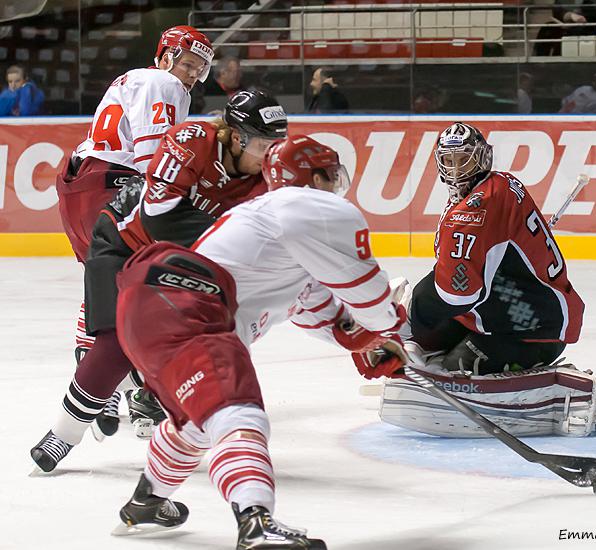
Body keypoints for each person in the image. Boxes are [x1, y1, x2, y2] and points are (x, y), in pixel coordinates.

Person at [110, 135, 405, 548]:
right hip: (187, 302)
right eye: (329, 176)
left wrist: (362, 343)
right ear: (312, 178)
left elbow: (322, 312)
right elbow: (371, 299)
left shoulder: (272, 227)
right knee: (238, 412)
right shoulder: (311, 207)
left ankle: (147, 500)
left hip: (149, 306)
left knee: (197, 421)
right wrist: (390, 326)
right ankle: (256, 521)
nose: (335, 186)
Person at [30, 90, 288, 473]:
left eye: (278, 144)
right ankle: (64, 433)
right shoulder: (191, 141)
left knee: (184, 340)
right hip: (121, 238)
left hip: (175, 259)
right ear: (237, 137)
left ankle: (140, 382)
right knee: (114, 342)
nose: (272, 155)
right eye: (265, 144)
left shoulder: (268, 181)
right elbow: (159, 214)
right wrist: (236, 238)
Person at [378, 122, 596, 438]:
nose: (457, 167)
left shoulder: (476, 207)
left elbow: (458, 295)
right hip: (499, 309)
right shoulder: (497, 186)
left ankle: (558, 393)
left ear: (482, 157)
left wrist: (409, 319)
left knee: (449, 369)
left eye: (465, 158)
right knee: (423, 341)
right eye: (449, 160)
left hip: (531, 328)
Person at [53, 25, 214, 436]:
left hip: (81, 187)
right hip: (114, 185)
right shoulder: (164, 82)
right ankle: (139, 393)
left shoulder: (134, 79)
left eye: (200, 68)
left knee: (110, 285)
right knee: (152, 289)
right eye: (189, 63)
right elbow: (153, 156)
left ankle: (103, 378)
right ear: (165, 56)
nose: (193, 74)